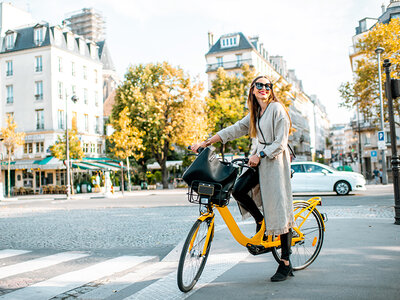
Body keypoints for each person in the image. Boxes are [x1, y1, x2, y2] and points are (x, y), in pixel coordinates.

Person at [191, 75, 294, 282]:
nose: (263, 88)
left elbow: (281, 142)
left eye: (267, 85)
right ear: (253, 90)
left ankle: (285, 262)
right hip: (259, 161)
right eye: (259, 85)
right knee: (238, 190)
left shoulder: (277, 109)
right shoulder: (255, 113)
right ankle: (260, 220)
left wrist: (261, 155)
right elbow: (235, 129)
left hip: (274, 162)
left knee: (279, 208)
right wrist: (206, 142)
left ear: (270, 89)